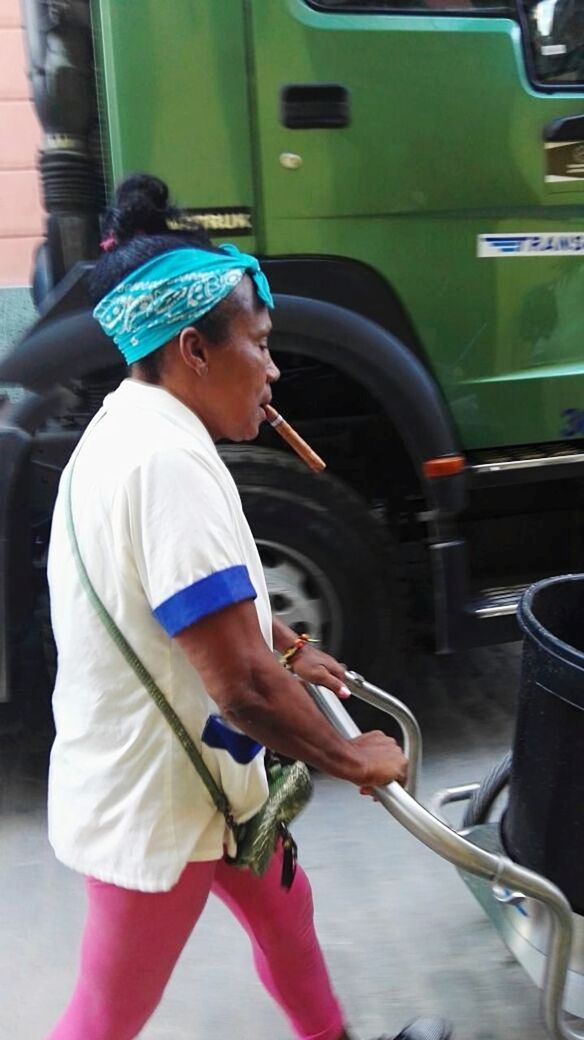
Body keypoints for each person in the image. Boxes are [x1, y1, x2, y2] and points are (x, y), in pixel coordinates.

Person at [45, 173, 452, 1040]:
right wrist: (354, 759)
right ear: (193, 348)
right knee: (104, 1017)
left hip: (212, 779)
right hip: (156, 800)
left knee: (285, 917)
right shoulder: (168, 467)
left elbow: (194, 592)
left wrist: (289, 642)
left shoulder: (136, 425)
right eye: (260, 345)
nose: (273, 369)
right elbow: (241, 691)